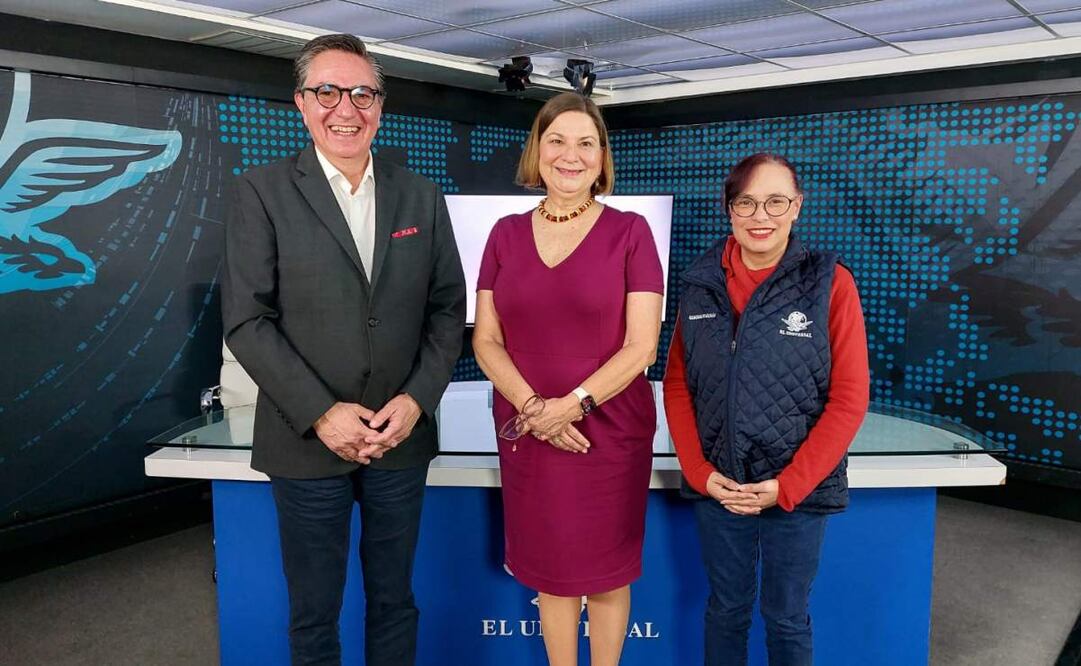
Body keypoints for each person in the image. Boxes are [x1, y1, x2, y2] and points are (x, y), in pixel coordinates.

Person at [221, 34, 466, 666]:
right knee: (314, 614)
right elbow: (247, 320)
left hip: (398, 436)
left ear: (380, 106)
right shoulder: (260, 191)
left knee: (394, 601)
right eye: (328, 91)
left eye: (362, 93)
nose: (345, 108)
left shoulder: (421, 196)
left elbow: (447, 310)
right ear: (301, 103)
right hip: (306, 441)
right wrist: (324, 414)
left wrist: (417, 399)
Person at [472, 92, 664, 666]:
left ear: (602, 159)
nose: (570, 155)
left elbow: (643, 346)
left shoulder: (632, 232)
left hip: (606, 431)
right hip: (529, 429)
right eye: (556, 141)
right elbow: (485, 340)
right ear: (537, 150)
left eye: (585, 143)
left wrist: (573, 405)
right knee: (552, 575)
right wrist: (537, 408)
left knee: (604, 575)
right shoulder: (503, 234)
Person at [663, 153, 869, 666]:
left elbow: (849, 399)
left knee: (786, 616)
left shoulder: (830, 282)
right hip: (721, 487)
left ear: (797, 207)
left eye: (776, 201)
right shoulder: (700, 284)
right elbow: (677, 386)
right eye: (747, 202)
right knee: (726, 610)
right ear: (729, 210)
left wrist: (790, 485)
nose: (761, 215)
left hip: (795, 491)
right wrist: (700, 472)